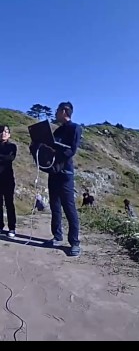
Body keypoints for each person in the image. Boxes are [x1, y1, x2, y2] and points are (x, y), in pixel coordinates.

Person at [30, 102, 83, 256]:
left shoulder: (75, 128)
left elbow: (71, 151)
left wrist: (56, 152)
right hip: (54, 172)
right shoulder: (58, 130)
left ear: (64, 111)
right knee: (55, 206)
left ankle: (74, 243)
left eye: (57, 110)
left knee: (69, 207)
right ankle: (57, 237)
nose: (55, 113)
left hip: (65, 173)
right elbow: (50, 148)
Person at [0, 125, 17, 238]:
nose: (3, 133)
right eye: (1, 131)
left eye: (6, 131)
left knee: (9, 203)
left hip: (8, 179)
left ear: (9, 134)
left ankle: (12, 227)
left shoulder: (12, 146)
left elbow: (10, 158)